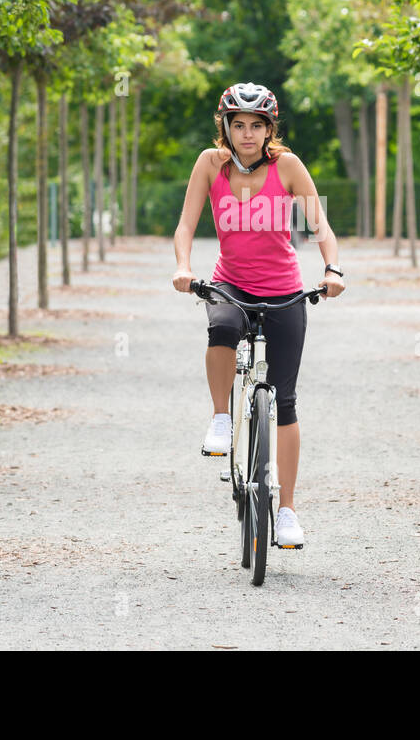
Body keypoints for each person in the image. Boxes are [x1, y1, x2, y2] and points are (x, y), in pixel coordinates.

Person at [172, 82, 345, 548]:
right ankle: (221, 418)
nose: (247, 134)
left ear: (269, 129)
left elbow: (319, 225)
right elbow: (187, 223)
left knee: (284, 400)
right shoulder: (210, 165)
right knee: (222, 326)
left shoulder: (286, 167)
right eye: (239, 125)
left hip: (283, 289)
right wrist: (184, 267)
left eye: (256, 126)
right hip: (229, 281)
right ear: (225, 128)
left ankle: (286, 511)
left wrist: (332, 269)